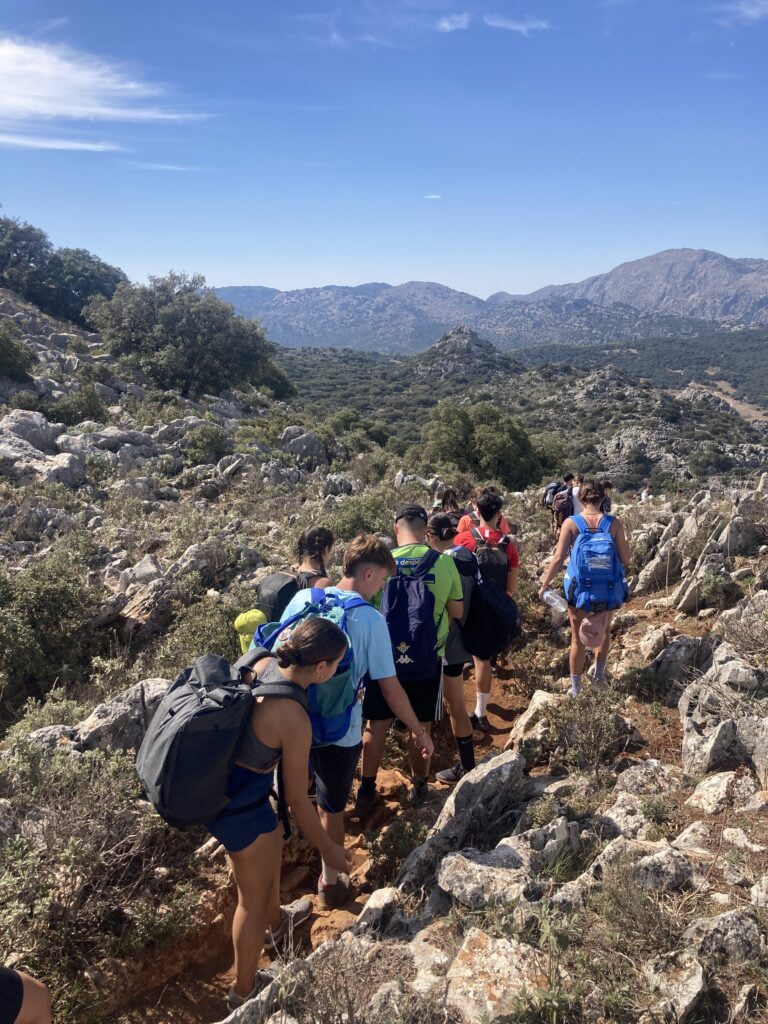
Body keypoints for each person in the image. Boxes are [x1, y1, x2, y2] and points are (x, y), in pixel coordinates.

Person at [206, 618, 353, 1011]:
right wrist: (329, 850)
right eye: (337, 663)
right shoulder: (294, 719)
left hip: (234, 789)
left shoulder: (263, 660)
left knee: (273, 840)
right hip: (238, 808)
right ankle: (243, 992)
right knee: (250, 902)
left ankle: (275, 926)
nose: (338, 669)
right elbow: (298, 800)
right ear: (321, 668)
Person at [281, 535, 434, 905]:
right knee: (331, 807)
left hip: (289, 720)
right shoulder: (370, 619)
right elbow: (391, 689)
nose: (381, 588)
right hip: (340, 730)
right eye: (381, 580)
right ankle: (331, 882)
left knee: (291, 796)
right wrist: (418, 731)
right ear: (368, 574)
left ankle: (275, 883)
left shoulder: (303, 599)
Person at [360, 506, 463, 807]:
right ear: (426, 530)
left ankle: (366, 789)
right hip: (426, 659)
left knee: (376, 723)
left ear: (396, 528)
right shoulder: (443, 562)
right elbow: (457, 611)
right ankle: (420, 787)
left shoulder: (381, 564)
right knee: (421, 726)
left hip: (382, 659)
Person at [538, 479, 631, 697]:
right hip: (607, 589)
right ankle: (599, 676)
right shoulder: (614, 523)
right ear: (603, 497)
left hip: (580, 590)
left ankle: (576, 689)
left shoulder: (571, 523)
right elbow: (626, 558)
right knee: (604, 631)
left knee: (577, 640)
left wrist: (545, 584)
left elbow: (558, 558)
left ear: (580, 498)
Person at [454, 490, 519, 732]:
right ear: (499, 514)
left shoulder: (463, 539)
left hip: (465, 607)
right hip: (493, 609)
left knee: (461, 659)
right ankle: (480, 712)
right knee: (483, 660)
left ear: (477, 512)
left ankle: (463, 712)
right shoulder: (508, 545)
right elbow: (511, 587)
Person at [425, 513, 477, 784]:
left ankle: (466, 766)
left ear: (430, 536)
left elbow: (448, 606)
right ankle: (465, 763)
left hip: (448, 642)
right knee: (454, 703)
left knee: (454, 704)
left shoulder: (443, 562)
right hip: (465, 637)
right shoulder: (468, 555)